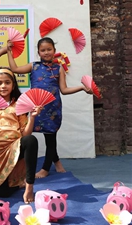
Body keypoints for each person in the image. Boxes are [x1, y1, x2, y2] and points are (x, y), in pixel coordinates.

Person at [7, 37, 92, 178]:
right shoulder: (33, 66)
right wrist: (9, 51)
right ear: (39, 52)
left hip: (52, 108)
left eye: (49, 49)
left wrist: (82, 88)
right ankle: (55, 161)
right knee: (26, 135)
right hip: (36, 108)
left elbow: (64, 90)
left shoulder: (59, 69)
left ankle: (45, 169)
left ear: (54, 51)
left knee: (50, 138)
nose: (46, 52)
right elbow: (14, 69)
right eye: (43, 50)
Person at [0, 66, 42, 204]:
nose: (3, 86)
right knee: (3, 193)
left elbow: (25, 134)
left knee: (30, 140)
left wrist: (32, 117)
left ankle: (29, 185)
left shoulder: (18, 105)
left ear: (13, 85)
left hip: (15, 149)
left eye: (7, 82)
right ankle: (18, 183)